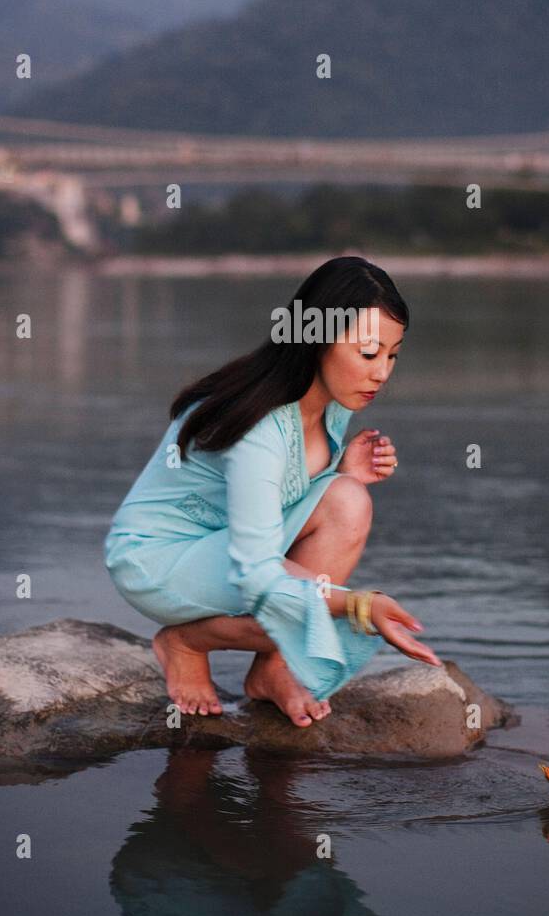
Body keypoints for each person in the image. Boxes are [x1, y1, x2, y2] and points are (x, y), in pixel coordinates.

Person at [104, 255, 442, 728]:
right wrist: (359, 604)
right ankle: (185, 641)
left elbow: (276, 498)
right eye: (368, 354)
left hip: (222, 544)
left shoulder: (332, 407)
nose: (382, 373)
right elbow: (258, 574)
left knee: (348, 499)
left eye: (392, 355)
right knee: (310, 603)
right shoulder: (261, 425)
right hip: (158, 559)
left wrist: (338, 472)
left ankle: (272, 669)